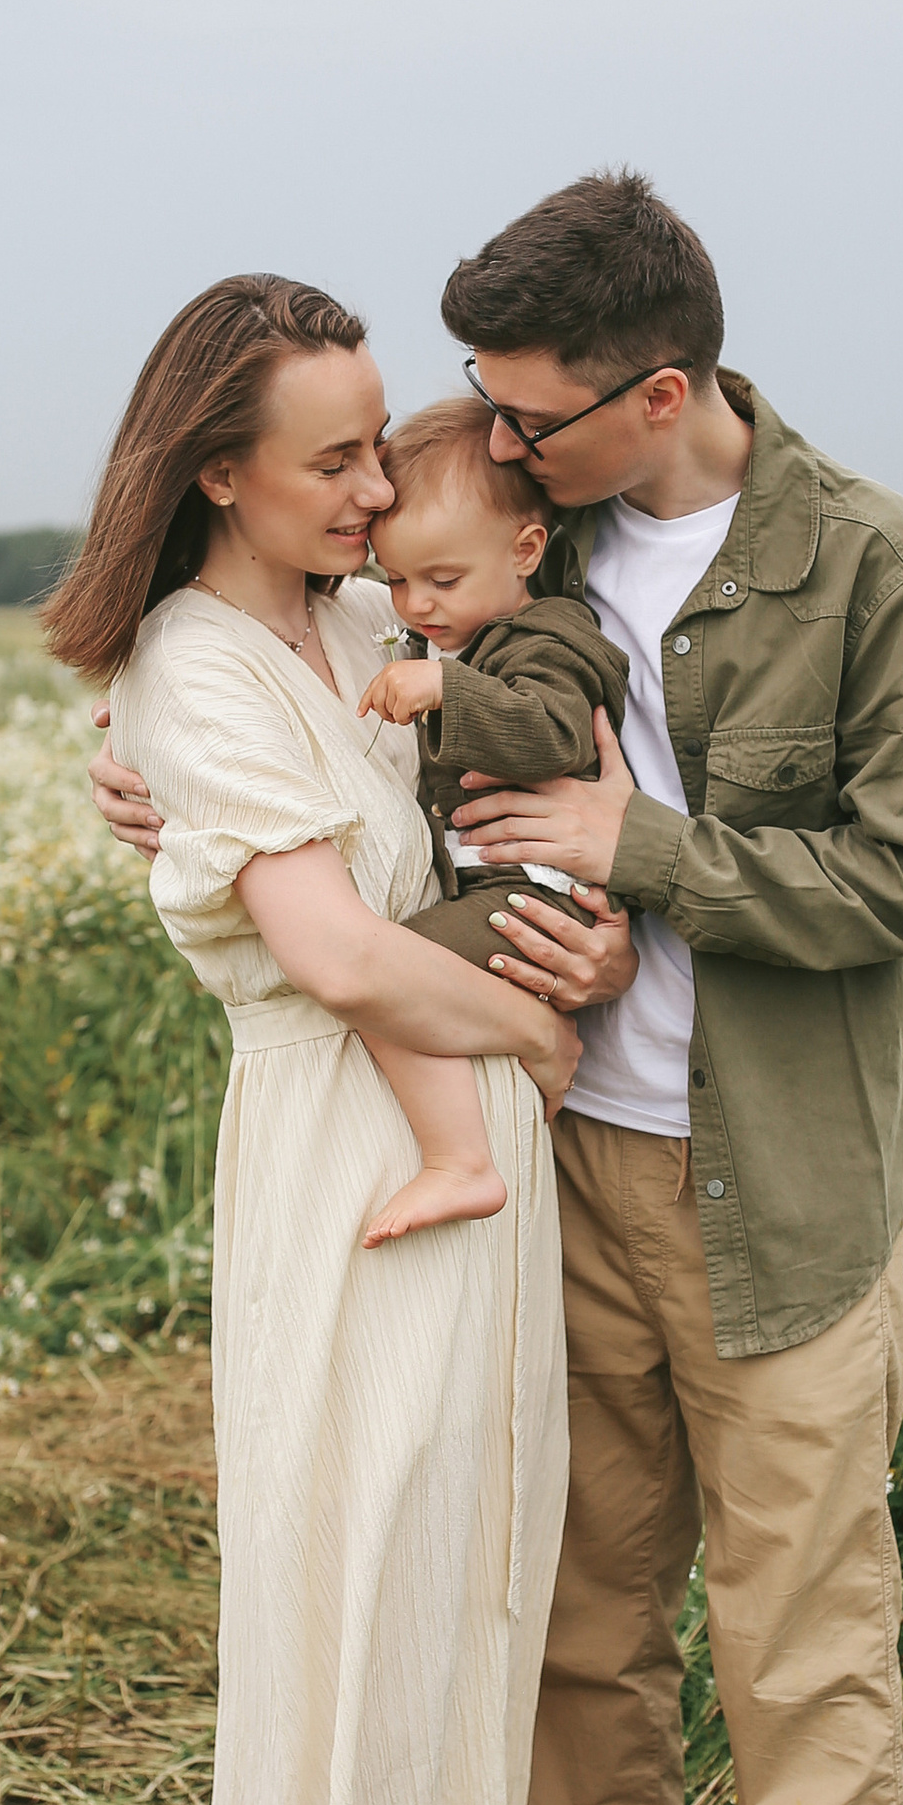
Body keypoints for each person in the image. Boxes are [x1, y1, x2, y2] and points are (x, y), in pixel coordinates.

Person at [94, 177, 903, 1805]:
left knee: (797, 1638)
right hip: (557, 1173)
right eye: (472, 415)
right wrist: (135, 771)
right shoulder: (498, 538)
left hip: (776, 1176)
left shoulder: (861, 566)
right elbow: (274, 698)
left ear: (652, 392)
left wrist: (643, 854)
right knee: (570, 1616)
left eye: (525, 417)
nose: (488, 444)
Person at [47, 275, 628, 1805]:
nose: (379, 487)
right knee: (315, 1624)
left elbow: (476, 787)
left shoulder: (366, 623)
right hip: (340, 1174)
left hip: (453, 1172)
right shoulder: (198, 665)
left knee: (429, 1596)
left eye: (384, 446)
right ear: (217, 468)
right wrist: (532, 1046)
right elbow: (346, 963)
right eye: (334, 458)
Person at [348, 395, 632, 1250]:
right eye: (395, 580)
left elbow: (549, 731)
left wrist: (447, 691)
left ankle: (459, 1160)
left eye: (441, 580)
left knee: (387, 974)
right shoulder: (461, 632)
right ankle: (487, 1134)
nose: (415, 605)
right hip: (507, 888)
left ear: (526, 550)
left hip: (540, 896)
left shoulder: (547, 638)